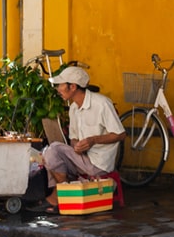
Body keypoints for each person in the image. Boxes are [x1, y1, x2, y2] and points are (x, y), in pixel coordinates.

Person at [42, 66, 126, 210]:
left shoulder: (102, 103)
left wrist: (93, 140)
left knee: (54, 148)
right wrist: (77, 146)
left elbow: (120, 134)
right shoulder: (74, 108)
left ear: (73, 87)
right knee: (47, 153)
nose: (58, 89)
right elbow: (73, 138)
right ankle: (64, 193)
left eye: (61, 85)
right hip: (82, 160)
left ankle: (59, 196)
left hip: (99, 164)